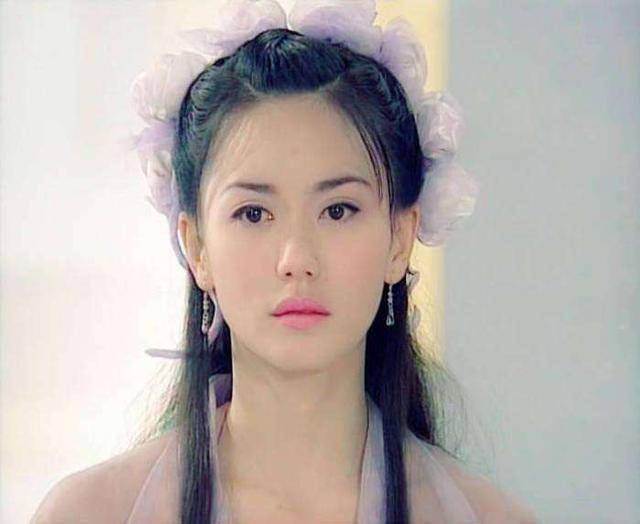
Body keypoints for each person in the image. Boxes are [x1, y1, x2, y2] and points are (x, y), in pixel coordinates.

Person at [31, 0, 538, 522]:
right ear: (197, 247)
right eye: (254, 213)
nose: (297, 260)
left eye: (338, 210)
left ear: (399, 239)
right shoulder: (89, 512)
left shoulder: (489, 517)